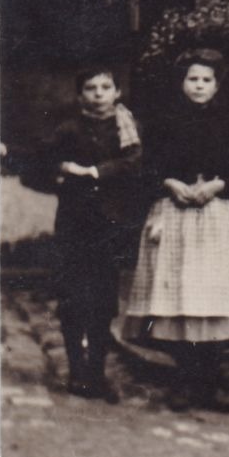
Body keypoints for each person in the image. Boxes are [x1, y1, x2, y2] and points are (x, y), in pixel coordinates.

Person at [121, 49, 229, 412]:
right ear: (181, 83)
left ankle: (208, 386)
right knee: (178, 301)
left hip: (212, 216)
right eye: (193, 79)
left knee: (209, 301)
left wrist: (217, 186)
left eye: (206, 80)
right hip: (174, 215)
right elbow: (146, 170)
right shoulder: (164, 121)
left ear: (216, 85)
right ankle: (186, 380)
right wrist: (170, 183)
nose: (199, 86)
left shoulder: (226, 122)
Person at [31, 65, 142, 402]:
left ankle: (97, 370)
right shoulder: (68, 129)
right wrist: (61, 171)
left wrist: (96, 171)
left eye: (105, 87)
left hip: (109, 225)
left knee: (104, 300)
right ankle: (77, 372)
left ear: (117, 92)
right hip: (74, 224)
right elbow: (39, 166)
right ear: (80, 95)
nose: (98, 93)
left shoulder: (127, 128)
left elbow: (135, 163)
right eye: (90, 88)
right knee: (72, 298)